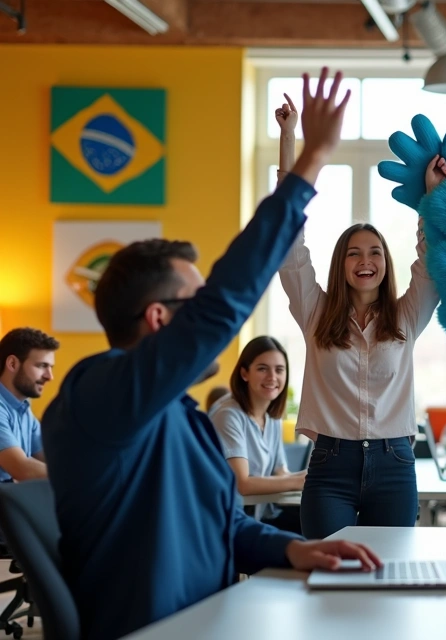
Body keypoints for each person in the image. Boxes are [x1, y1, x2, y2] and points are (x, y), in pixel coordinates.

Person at [41, 68, 381, 640]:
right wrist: (309, 162)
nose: (211, 317)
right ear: (158, 318)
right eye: (194, 303)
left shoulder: (185, 418)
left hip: (215, 621)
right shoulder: (96, 395)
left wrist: (295, 549)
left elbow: (228, 528)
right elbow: (222, 305)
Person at [274, 91, 446, 539]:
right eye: (354, 253)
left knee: (388, 573)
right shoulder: (315, 313)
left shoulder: (406, 317)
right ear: (342, 263)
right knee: (326, 571)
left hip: (395, 464)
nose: (365, 261)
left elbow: (430, 264)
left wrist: (432, 197)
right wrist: (289, 139)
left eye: (375, 252)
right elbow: (289, 247)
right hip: (330, 466)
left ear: (385, 263)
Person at [210, 336, 306, 532]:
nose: (272, 377)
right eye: (263, 369)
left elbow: (280, 473)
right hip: (226, 524)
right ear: (244, 373)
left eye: (279, 370)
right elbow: (242, 483)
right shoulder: (228, 415)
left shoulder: (272, 418)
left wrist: (311, 477)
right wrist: (298, 481)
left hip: (256, 519)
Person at [0, 328, 58, 482]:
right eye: (42, 366)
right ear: (12, 364)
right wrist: (82, 478)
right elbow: (22, 469)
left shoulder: (23, 409)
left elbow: (51, 458)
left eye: (50, 367)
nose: (49, 376)